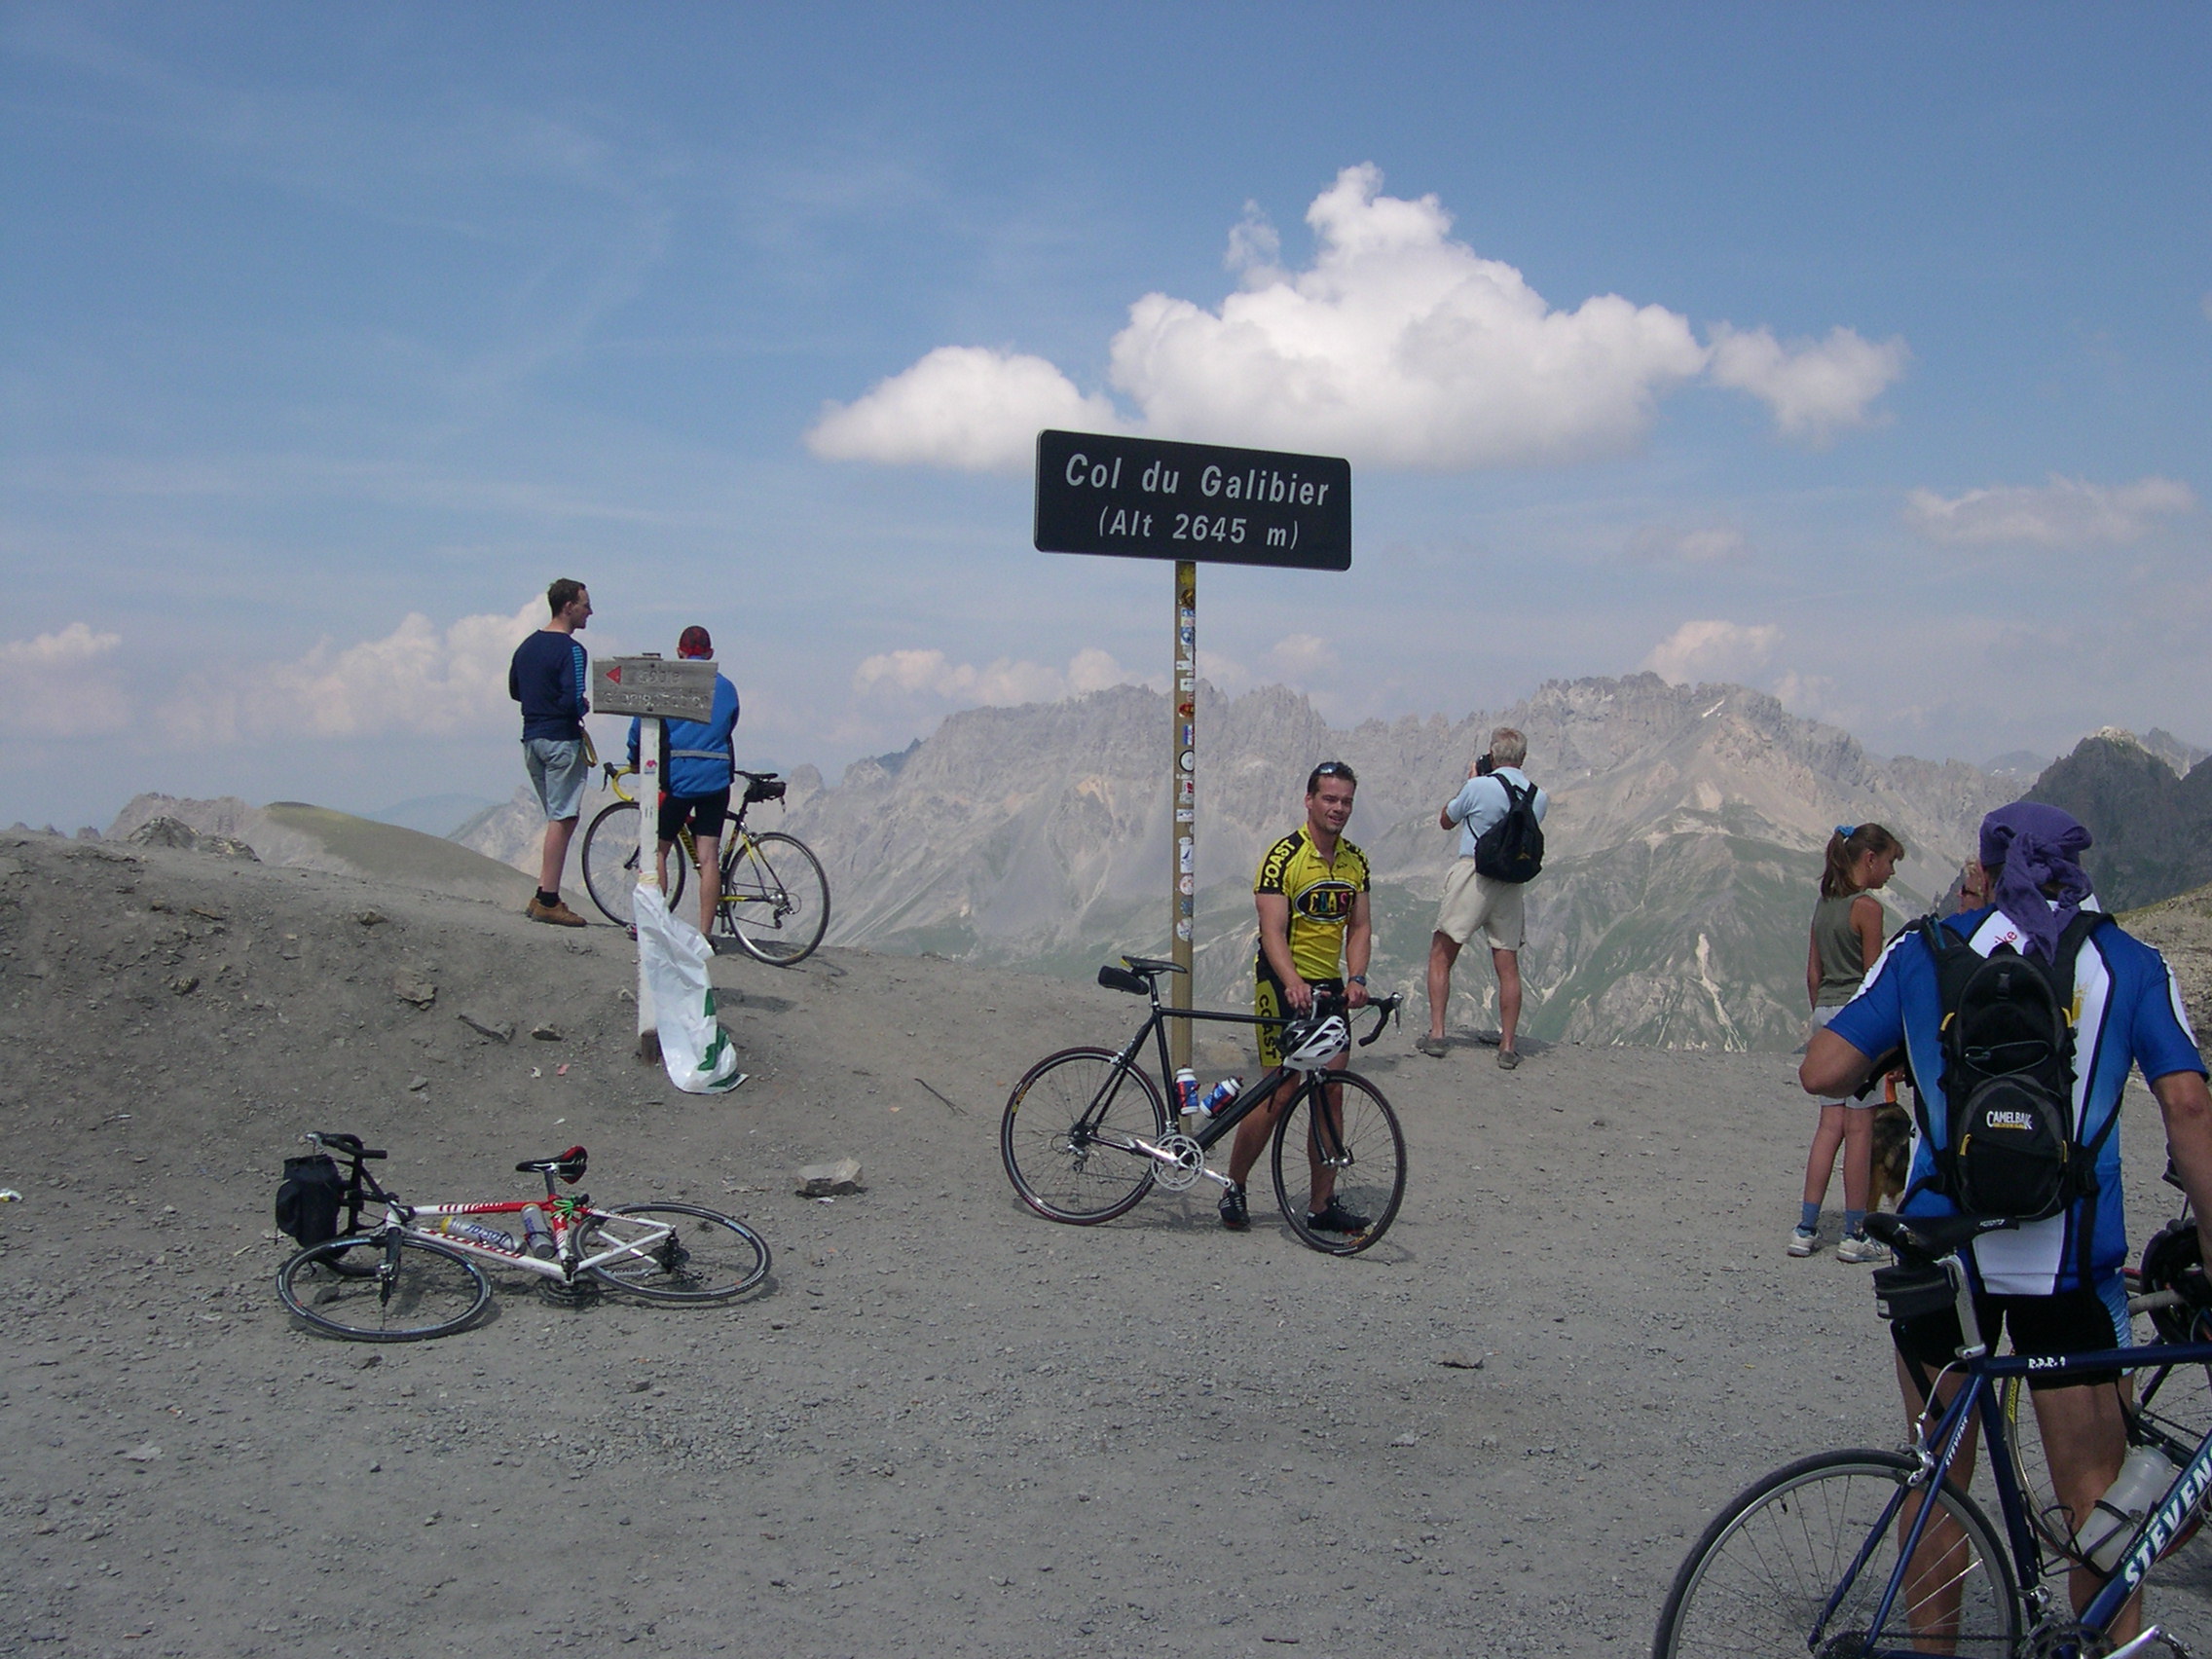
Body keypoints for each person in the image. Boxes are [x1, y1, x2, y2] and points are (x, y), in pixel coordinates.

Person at [1800, 802, 2212, 1640]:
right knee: (2094, 1492)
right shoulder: (2130, 963)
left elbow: (1822, 1070)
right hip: (2068, 1263)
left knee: (1936, 1478)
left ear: (1984, 868)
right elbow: (2188, 1106)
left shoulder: (1926, 950)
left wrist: (1913, 1046)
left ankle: (1933, 1647)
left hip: (1941, 1256)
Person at [1220, 760, 1373, 1235]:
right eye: (1329, 799)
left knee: (1331, 1093)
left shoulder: (1355, 861)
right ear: (1309, 800)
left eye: (1346, 800)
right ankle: (1235, 1185)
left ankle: (1321, 1204)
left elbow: (1361, 926)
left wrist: (1358, 977)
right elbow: (1272, 930)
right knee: (1279, 1092)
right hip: (1280, 982)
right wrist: (1290, 980)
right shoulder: (1283, 856)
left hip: (1328, 988)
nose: (1338, 808)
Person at [1789, 823, 1904, 1262]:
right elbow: (1874, 977)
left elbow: (1813, 973)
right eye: (1890, 861)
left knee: (1828, 1126)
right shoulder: (1867, 908)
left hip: (1825, 1016)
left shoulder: (1825, 905)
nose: (1892, 872)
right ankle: (1856, 1234)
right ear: (1869, 859)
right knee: (1860, 1129)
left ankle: (1805, 1227)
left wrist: (1823, 1021)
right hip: (1857, 1017)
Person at [1419, 726, 1547, 1069]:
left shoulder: (1478, 786)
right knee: (1507, 964)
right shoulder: (1538, 796)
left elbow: (1447, 820)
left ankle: (1437, 1034)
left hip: (1473, 874)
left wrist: (1472, 780)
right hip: (1510, 882)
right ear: (1523, 757)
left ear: (1492, 755)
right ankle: (1507, 1045)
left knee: (1442, 953)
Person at [625, 626, 741, 938]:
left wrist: (634, 757)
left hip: (679, 780)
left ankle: (655, 925)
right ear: (711, 654)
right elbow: (730, 724)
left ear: (679, 653)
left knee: (656, 850)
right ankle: (705, 935)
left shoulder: (668, 685)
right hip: (717, 779)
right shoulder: (727, 688)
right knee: (708, 858)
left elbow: (640, 727)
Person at [507, 578, 593, 926]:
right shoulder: (573, 651)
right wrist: (579, 708)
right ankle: (548, 898)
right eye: (586, 604)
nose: (590, 611)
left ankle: (543, 891)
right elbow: (573, 697)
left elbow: (515, 690)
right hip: (560, 739)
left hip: (531, 738)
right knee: (564, 818)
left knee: (556, 817)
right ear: (568, 606)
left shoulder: (526, 646)